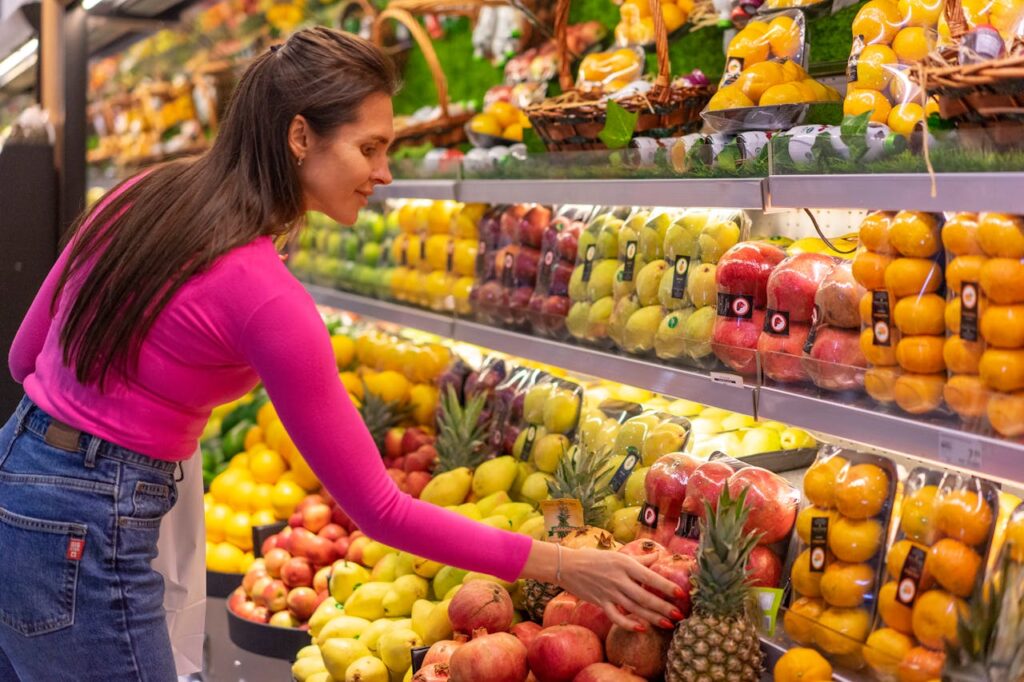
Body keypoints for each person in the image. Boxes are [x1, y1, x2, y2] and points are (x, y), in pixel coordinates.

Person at [1, 27, 681, 681]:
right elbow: (380, 510)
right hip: (89, 526)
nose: (384, 172)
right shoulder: (269, 299)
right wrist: (564, 564)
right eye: (370, 148)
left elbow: (23, 358)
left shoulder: (140, 196)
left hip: (18, 473)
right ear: (301, 136)